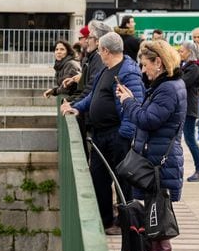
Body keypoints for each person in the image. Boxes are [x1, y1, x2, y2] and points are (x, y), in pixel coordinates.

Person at [115, 40, 187, 251]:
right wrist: (134, 100)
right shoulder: (167, 85)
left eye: (145, 65)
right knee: (156, 218)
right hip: (158, 161)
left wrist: (128, 102)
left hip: (160, 164)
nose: (143, 70)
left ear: (159, 62)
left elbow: (148, 120)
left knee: (159, 220)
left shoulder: (167, 89)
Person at [60, 31, 145, 235]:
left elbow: (135, 103)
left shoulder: (128, 72)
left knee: (122, 180)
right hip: (101, 134)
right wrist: (76, 107)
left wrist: (124, 135)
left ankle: (125, 223)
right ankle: (105, 220)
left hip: (117, 135)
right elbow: (93, 96)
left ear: (106, 50)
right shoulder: (106, 70)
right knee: (99, 177)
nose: (98, 54)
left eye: (99, 50)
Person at [178, 40, 199, 181]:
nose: (179, 52)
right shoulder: (187, 66)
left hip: (189, 108)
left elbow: (181, 83)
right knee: (187, 139)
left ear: (189, 52)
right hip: (185, 107)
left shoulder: (193, 68)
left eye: (182, 50)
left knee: (190, 139)